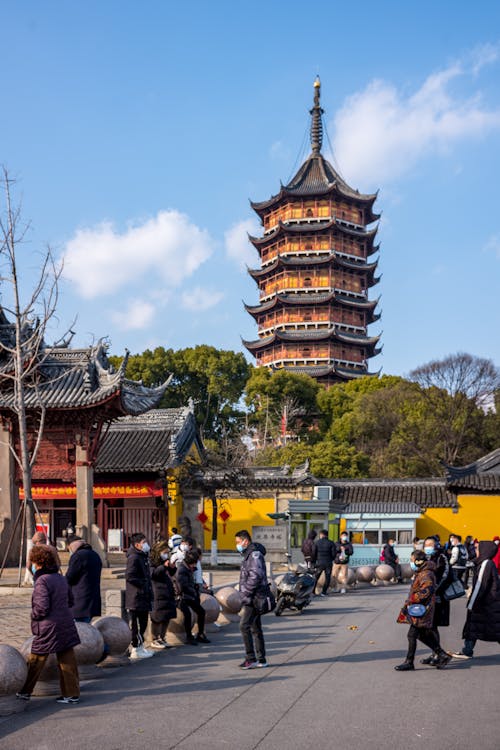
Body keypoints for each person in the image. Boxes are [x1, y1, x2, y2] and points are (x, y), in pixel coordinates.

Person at [16, 545, 81, 704]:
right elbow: (71, 600)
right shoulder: (60, 577)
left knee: (36, 659)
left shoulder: (42, 581)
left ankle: (24, 691)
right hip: (65, 622)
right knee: (67, 659)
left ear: (36, 562)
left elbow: (41, 607)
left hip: (48, 626)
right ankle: (72, 694)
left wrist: (33, 614)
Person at [394, 549, 451, 671]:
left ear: (418, 561)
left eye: (412, 560)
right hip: (420, 609)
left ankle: (410, 662)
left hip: (422, 610)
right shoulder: (422, 572)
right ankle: (441, 654)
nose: (411, 563)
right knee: (420, 635)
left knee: (412, 635)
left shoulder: (426, 574)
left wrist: (412, 599)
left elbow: (426, 592)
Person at [451, 540, 500, 659]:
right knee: (473, 627)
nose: (476, 551)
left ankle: (467, 651)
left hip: (488, 603)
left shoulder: (486, 564)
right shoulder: (484, 563)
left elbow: (480, 586)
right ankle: (467, 650)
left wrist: (471, 603)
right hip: (485, 603)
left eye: (478, 549)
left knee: (494, 629)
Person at [235, 529, 269, 669]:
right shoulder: (250, 554)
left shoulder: (254, 555)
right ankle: (261, 659)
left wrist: (246, 593)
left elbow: (255, 576)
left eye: (238, 542)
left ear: (245, 541)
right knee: (255, 628)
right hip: (254, 596)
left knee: (244, 626)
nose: (237, 545)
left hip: (253, 597)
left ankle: (251, 658)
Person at [419, 536, 454, 665]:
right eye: (426, 544)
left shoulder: (441, 557)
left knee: (433, 626)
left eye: (430, 544)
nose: (428, 546)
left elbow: (444, 576)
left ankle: (437, 655)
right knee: (428, 626)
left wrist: (433, 590)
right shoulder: (425, 558)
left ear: (436, 545)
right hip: (427, 597)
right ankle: (435, 653)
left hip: (438, 597)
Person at [125, 532, 154, 660]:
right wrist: (142, 585)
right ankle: (136, 649)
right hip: (136, 597)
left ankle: (141, 647)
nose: (146, 544)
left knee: (143, 623)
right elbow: (130, 576)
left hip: (143, 595)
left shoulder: (142, 556)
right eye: (144, 542)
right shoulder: (134, 557)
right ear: (137, 545)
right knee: (136, 624)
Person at [175, 549, 210, 645]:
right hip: (182, 597)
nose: (195, 566)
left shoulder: (188, 568)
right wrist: (194, 591)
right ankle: (189, 636)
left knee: (201, 612)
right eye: (194, 563)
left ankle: (200, 634)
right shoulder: (182, 570)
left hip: (189, 595)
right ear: (190, 562)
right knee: (188, 614)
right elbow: (183, 586)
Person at [65, 536, 102, 623]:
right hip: (92, 600)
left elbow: (70, 577)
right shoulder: (95, 554)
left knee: (79, 631)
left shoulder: (78, 556)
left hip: (79, 601)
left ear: (71, 546)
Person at [149, 540, 177, 649]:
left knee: (166, 617)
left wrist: (172, 567)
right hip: (157, 592)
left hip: (167, 592)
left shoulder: (165, 561)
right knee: (157, 617)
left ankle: (162, 637)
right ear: (159, 551)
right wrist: (163, 567)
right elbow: (153, 574)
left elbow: (171, 573)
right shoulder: (151, 561)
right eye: (164, 552)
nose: (166, 554)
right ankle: (155, 639)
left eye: (167, 552)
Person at [311, 529, 335, 596]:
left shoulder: (317, 542)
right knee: (327, 578)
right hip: (328, 563)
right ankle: (324, 592)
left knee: (316, 577)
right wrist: (331, 559)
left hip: (319, 563)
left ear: (321, 535)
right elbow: (334, 554)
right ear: (327, 535)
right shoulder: (331, 543)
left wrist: (313, 562)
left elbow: (313, 553)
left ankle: (313, 591)